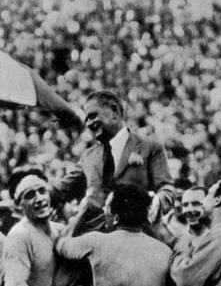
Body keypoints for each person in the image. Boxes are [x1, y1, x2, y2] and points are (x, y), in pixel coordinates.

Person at [52, 90, 174, 234]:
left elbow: (167, 190)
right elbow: (59, 191)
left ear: (114, 111)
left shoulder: (150, 147)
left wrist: (154, 204)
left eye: (92, 116)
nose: (89, 124)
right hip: (96, 243)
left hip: (136, 238)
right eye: (86, 120)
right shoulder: (88, 156)